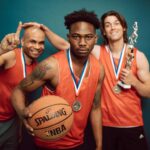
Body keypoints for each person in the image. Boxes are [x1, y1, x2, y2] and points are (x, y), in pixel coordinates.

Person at [11, 9, 104, 150]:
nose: (82, 42)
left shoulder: (99, 69)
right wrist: (22, 112)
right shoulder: (51, 66)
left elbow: (96, 108)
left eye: (89, 37)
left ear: (95, 39)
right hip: (48, 144)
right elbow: (18, 90)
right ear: (68, 37)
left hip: (78, 143)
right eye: (76, 36)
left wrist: (99, 145)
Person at [0, 22, 70, 150]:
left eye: (41, 43)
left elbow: (68, 47)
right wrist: (1, 50)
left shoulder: (36, 68)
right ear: (22, 41)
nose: (37, 47)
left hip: (13, 121)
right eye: (32, 41)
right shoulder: (11, 55)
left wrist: (20, 127)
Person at [97, 10, 149, 150]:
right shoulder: (96, 52)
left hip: (132, 125)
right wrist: (45, 31)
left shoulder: (138, 56)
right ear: (103, 31)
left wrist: (134, 81)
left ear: (124, 27)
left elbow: (148, 92)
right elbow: (69, 46)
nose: (112, 27)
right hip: (105, 126)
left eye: (116, 23)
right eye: (107, 25)